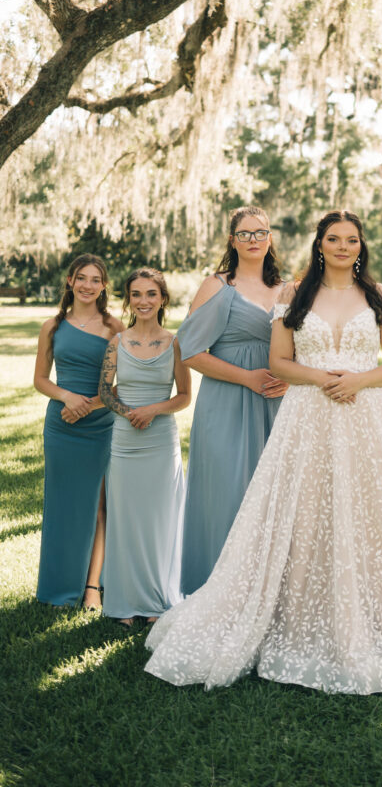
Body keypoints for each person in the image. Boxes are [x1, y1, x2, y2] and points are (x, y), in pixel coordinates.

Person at [145, 210, 382, 693]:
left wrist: (358, 381)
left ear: (362, 246)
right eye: (334, 239)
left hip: (366, 416)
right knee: (303, 511)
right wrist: (322, 378)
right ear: (319, 244)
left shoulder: (380, 297)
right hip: (307, 415)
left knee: (374, 513)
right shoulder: (292, 295)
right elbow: (280, 360)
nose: (343, 247)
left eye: (352, 240)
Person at [178, 206, 288, 596]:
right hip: (226, 402)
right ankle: (217, 595)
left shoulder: (287, 289)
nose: (254, 239)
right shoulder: (217, 286)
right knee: (227, 495)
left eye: (261, 232)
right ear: (232, 240)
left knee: (274, 497)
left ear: (271, 237)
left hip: (277, 404)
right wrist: (247, 378)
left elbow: (303, 349)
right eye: (245, 233)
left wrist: (289, 380)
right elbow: (189, 351)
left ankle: (269, 595)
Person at [98, 268, 191, 624]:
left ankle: (156, 599)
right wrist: (128, 412)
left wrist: (153, 409)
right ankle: (125, 600)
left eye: (151, 294)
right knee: (126, 518)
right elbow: (106, 391)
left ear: (162, 299)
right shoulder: (117, 343)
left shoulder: (176, 343)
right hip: (124, 441)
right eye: (136, 294)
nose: (143, 301)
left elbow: (184, 396)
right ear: (129, 300)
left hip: (160, 440)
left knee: (159, 520)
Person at [33, 254, 124, 609]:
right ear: (70, 281)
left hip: (100, 425)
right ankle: (56, 587)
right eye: (81, 278)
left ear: (103, 286)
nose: (88, 285)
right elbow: (40, 379)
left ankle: (91, 587)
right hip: (61, 425)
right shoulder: (52, 327)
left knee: (98, 504)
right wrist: (67, 396)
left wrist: (90, 404)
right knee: (61, 504)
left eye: (96, 279)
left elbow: (124, 385)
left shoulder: (114, 328)